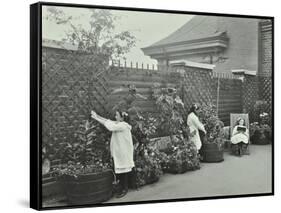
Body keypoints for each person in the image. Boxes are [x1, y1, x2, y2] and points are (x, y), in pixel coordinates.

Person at [91, 110, 134, 198]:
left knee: (124, 171)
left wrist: (96, 118)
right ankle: (122, 188)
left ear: (122, 118)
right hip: (120, 152)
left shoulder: (122, 125)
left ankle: (124, 189)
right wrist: (97, 116)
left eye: (117, 115)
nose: (115, 117)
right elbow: (108, 121)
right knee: (121, 171)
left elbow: (109, 126)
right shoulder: (120, 124)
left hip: (123, 152)